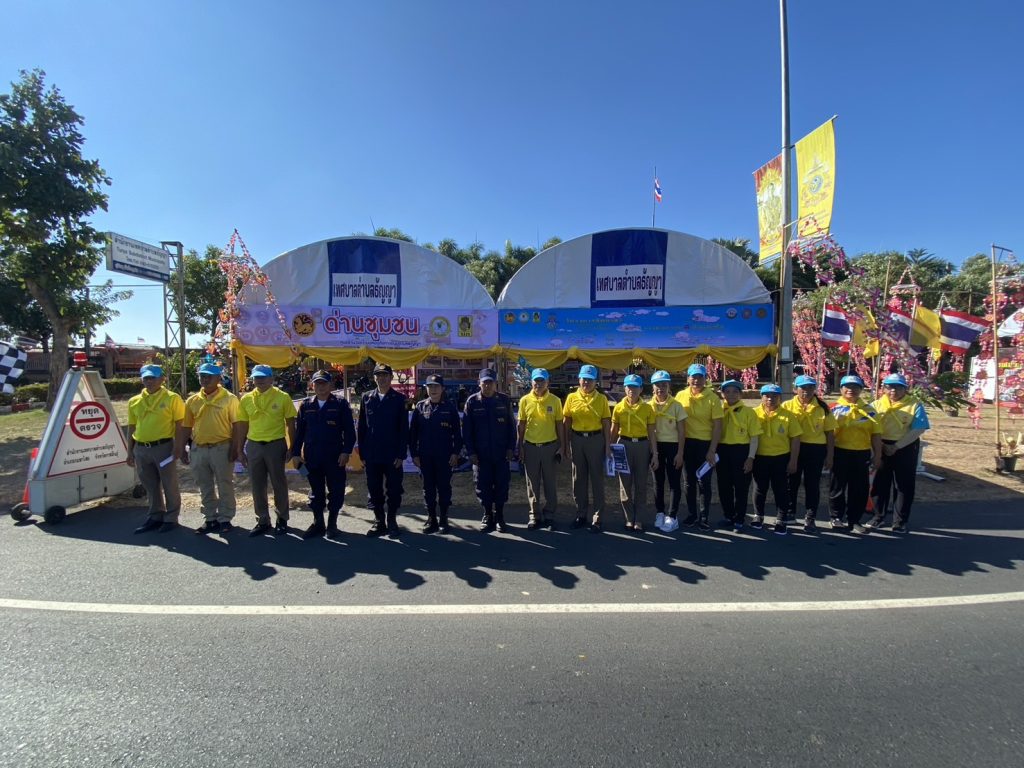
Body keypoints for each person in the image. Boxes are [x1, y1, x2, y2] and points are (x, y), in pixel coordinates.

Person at [179, 362, 241, 534]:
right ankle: (210, 518)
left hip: (221, 447)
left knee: (224, 484)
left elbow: (237, 425)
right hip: (199, 449)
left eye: (209, 376)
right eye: (202, 376)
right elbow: (186, 426)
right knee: (204, 485)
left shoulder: (230, 399)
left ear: (218, 378)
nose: (205, 379)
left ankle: (225, 518)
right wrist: (182, 448)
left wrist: (235, 448)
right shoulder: (192, 400)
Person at [236, 364, 297, 536]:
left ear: (271, 379)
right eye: (256, 377)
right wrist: (240, 449)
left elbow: (291, 423)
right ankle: (262, 520)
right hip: (254, 445)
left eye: (263, 377)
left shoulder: (283, 397)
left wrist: (292, 446)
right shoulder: (246, 399)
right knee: (257, 485)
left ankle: (282, 518)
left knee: (279, 483)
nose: (260, 380)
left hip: (275, 444)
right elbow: (242, 425)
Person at [294, 369, 355, 538]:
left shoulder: (340, 404)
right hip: (312, 456)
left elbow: (350, 432)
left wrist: (346, 451)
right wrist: (296, 453)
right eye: (317, 383)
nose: (321, 387)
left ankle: (332, 524)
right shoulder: (306, 405)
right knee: (316, 491)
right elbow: (299, 433)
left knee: (336, 490)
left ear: (330, 385)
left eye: (324, 383)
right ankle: (318, 523)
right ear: (312, 385)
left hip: (334, 456)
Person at [868, 373, 930, 533]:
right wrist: (881, 445)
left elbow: (919, 428)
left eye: (898, 387)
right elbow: (869, 427)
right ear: (884, 388)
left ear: (905, 389)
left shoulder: (914, 405)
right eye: (889, 387)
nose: (893, 390)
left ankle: (899, 521)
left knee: (903, 485)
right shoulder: (876, 405)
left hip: (905, 446)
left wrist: (896, 446)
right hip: (881, 445)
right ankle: (878, 516)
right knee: (880, 482)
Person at [127, 364, 185, 533]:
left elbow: (180, 424)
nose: (149, 381)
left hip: (163, 447)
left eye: (153, 378)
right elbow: (131, 426)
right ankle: (155, 515)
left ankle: (171, 517)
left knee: (169, 483)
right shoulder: (134, 401)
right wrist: (129, 451)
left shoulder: (172, 398)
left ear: (162, 379)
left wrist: (178, 446)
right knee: (150, 484)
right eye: (146, 378)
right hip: (141, 448)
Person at [357, 363, 409, 537]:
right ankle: (379, 521)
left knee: (394, 489)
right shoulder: (366, 398)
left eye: (385, 375)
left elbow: (404, 429)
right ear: (374, 378)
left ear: (391, 377)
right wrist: (362, 453)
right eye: (378, 375)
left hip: (392, 454)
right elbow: (362, 427)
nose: (382, 378)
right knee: (374, 489)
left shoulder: (399, 399)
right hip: (372, 454)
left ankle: (392, 520)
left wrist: (401, 454)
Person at [463, 367, 516, 532]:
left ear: (495, 384)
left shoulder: (504, 400)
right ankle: (487, 515)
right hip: (481, 455)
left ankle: (499, 516)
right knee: (482, 486)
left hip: (501, 454)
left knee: (501, 485)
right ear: (479, 383)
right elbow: (467, 431)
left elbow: (511, 428)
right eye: (484, 383)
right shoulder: (472, 402)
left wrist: (510, 448)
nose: (487, 386)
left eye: (490, 383)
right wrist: (471, 452)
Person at [782, 375, 836, 533]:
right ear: (795, 389)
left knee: (812, 484)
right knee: (791, 482)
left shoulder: (822, 407)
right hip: (793, 447)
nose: (806, 391)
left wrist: (830, 455)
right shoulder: (787, 406)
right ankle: (790, 512)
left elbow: (830, 433)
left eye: (810, 387)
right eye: (803, 387)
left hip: (815, 449)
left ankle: (810, 517)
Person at [829, 374, 883, 534]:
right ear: (841, 389)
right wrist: (828, 455)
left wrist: (877, 455)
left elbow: (876, 434)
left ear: (861, 390)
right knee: (837, 487)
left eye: (855, 387)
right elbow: (828, 434)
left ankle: (854, 520)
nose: (851, 390)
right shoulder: (832, 408)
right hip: (840, 452)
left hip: (861, 453)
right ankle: (836, 517)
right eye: (847, 387)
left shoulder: (870, 410)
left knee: (859, 488)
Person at [409, 374, 463, 534]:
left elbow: (457, 434)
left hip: (444, 456)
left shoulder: (450, 407)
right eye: (430, 386)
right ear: (426, 389)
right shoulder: (420, 407)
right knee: (428, 489)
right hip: (425, 456)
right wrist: (414, 454)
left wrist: (455, 453)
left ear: (442, 388)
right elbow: (413, 434)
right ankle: (431, 518)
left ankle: (444, 519)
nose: (433, 389)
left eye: (436, 386)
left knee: (444, 488)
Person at [562, 364, 611, 531]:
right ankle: (581, 514)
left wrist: (607, 446)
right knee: (578, 479)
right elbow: (567, 422)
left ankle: (597, 517)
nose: (586, 383)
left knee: (597, 479)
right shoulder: (571, 398)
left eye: (590, 380)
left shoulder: (601, 399)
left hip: (595, 439)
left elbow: (606, 423)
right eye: (584, 379)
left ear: (596, 381)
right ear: (579, 379)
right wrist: (566, 445)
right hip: (577, 440)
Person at [674, 363, 723, 530]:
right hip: (686, 443)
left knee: (704, 481)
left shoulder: (712, 398)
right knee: (688, 482)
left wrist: (712, 450)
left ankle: (704, 516)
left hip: (705, 444)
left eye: (700, 377)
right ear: (688, 378)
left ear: (705, 379)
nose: (696, 380)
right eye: (693, 377)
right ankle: (691, 514)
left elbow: (718, 426)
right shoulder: (680, 395)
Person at [517, 368, 567, 530]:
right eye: (536, 380)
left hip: (550, 447)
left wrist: (562, 446)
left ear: (548, 382)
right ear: (531, 382)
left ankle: (549, 514)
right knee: (532, 483)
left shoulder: (555, 401)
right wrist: (520, 446)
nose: (538, 384)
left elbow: (560, 425)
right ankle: (534, 515)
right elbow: (521, 425)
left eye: (542, 381)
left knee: (550, 483)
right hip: (530, 446)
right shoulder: (525, 400)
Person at [752, 384, 802, 535]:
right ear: (761, 397)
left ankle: (781, 519)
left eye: (774, 396)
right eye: (767, 395)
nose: (770, 399)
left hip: (781, 457)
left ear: (780, 398)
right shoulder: (753, 413)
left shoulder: (788, 415)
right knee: (759, 488)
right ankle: (758, 516)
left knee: (781, 489)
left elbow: (795, 438)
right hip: (760, 456)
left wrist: (793, 460)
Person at [610, 374, 658, 531]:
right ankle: (629, 518)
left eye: (635, 387)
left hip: (642, 445)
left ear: (641, 389)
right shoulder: (619, 407)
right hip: (623, 445)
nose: (632, 390)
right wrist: (609, 448)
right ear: (624, 389)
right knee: (625, 483)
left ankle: (639, 519)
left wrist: (655, 453)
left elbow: (652, 432)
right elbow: (614, 430)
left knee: (641, 483)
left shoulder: (647, 408)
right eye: (629, 387)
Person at [715, 379, 762, 530]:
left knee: (741, 487)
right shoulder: (718, 411)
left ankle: (740, 517)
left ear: (740, 394)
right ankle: (728, 515)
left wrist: (750, 457)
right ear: (722, 394)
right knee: (724, 486)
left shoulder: (748, 412)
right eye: (727, 392)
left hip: (741, 451)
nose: (731, 395)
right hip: (722, 450)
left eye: (735, 392)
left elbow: (754, 437)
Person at [648, 370, 686, 532]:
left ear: (669, 386)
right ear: (652, 387)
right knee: (658, 481)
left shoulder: (676, 405)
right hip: (656, 447)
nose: (661, 388)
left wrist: (680, 453)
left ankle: (672, 516)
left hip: (673, 446)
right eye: (657, 385)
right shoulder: (649, 406)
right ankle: (660, 513)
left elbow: (682, 432)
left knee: (674, 482)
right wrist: (654, 453)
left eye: (664, 385)